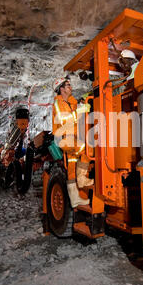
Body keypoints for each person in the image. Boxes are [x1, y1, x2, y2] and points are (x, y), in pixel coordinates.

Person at [52, 77, 93, 208]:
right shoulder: (58, 104)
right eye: (68, 85)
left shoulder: (71, 102)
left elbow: (77, 114)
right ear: (61, 89)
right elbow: (63, 119)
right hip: (65, 138)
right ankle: (81, 179)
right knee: (87, 149)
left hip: (73, 137)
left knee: (71, 167)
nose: (71, 87)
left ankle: (75, 199)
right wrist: (79, 111)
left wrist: (82, 103)